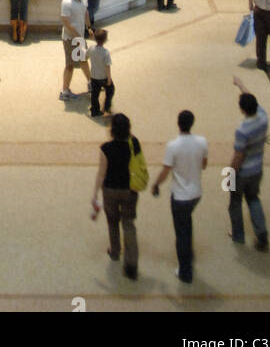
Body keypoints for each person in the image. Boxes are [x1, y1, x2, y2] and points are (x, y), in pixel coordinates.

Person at [152, 110, 208, 284]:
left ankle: (185, 271)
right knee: (187, 223)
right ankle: (189, 255)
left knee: (181, 233)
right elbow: (204, 165)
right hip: (196, 193)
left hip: (180, 196)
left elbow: (166, 170)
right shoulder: (202, 142)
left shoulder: (173, 146)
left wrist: (155, 184)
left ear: (178, 124)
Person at [92, 112, 141, 280]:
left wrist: (94, 194)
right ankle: (132, 263)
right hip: (130, 190)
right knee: (129, 224)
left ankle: (114, 251)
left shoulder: (106, 148)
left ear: (112, 130)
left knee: (112, 221)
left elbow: (101, 174)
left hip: (110, 190)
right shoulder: (134, 144)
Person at [228, 79, 270, 250]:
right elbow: (253, 99)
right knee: (253, 198)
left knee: (235, 202)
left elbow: (239, 155)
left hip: (242, 172)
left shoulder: (242, 130)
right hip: (257, 168)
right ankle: (261, 231)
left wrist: (230, 174)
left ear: (242, 110)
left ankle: (238, 235)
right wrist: (241, 85)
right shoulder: (264, 117)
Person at [59, 0, 91, 98]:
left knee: (83, 59)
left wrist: (89, 27)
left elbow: (85, 12)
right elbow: (65, 22)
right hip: (70, 38)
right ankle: (65, 91)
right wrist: (77, 37)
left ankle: (90, 82)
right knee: (70, 65)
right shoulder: (67, 2)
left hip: (79, 37)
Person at [88, 28, 114, 117]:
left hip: (93, 77)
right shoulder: (105, 52)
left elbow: (85, 55)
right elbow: (107, 67)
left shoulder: (91, 48)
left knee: (94, 94)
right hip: (103, 77)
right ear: (105, 40)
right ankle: (107, 107)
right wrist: (109, 79)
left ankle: (94, 110)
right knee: (110, 90)